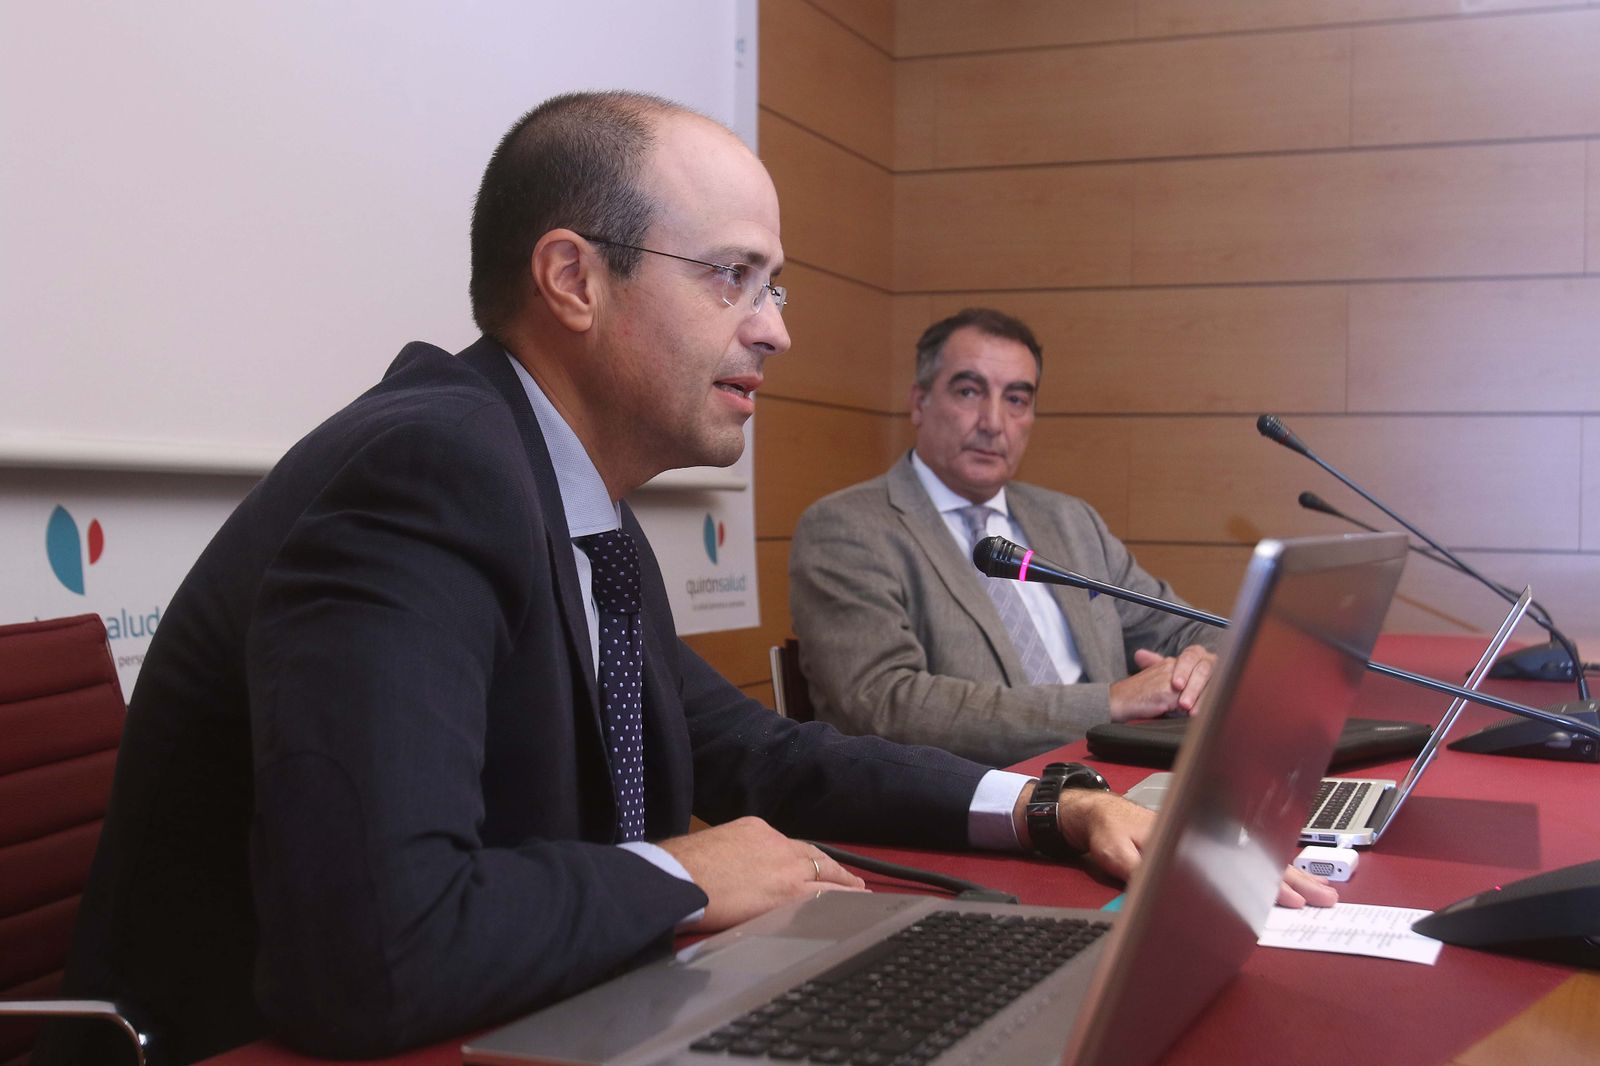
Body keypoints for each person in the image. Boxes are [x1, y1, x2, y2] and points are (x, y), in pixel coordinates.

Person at [39, 95, 1329, 1066]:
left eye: (775, 286)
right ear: (571, 278)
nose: (776, 328)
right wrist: (687, 876)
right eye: (733, 279)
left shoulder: (570, 490)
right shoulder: (425, 474)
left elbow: (756, 758)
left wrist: (1050, 808)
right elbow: (378, 947)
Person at [789, 308, 1224, 766]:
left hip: (1110, 781)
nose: (993, 422)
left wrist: (1202, 667)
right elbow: (886, 705)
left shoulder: (1071, 521)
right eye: (969, 391)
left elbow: (1192, 628)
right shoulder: (846, 528)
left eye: (1016, 399)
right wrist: (1110, 703)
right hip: (962, 804)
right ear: (919, 402)